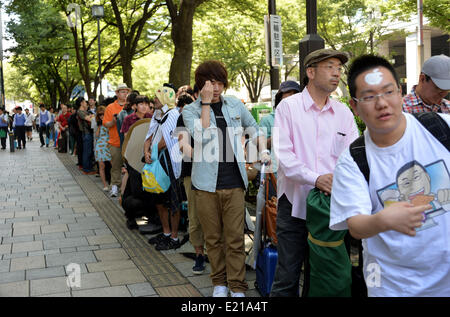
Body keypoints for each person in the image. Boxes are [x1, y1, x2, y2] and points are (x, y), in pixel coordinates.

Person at [329, 54, 450, 297]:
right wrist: (383, 219)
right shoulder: (353, 159)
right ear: (354, 106)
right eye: (369, 96)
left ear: (401, 93)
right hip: (393, 286)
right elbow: (355, 225)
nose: (381, 103)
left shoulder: (442, 127)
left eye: (388, 92)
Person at [270, 49, 359, 297]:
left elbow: (353, 154)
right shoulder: (288, 107)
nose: (336, 73)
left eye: (339, 68)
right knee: (287, 274)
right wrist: (316, 178)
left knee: (322, 273)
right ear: (310, 72)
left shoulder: (343, 112)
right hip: (295, 203)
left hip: (330, 206)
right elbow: (284, 156)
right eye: (330, 66)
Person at [182, 60, 270, 297]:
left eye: (220, 82)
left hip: (235, 183)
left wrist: (261, 148)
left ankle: (238, 286)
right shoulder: (190, 110)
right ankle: (219, 283)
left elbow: (255, 127)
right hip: (205, 185)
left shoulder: (234, 105)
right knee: (213, 239)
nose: (216, 87)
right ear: (201, 84)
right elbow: (201, 137)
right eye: (211, 82)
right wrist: (206, 104)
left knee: (235, 239)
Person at [143, 86, 185, 251]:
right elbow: (150, 135)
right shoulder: (157, 115)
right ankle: (166, 233)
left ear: (166, 98)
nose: (154, 99)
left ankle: (174, 237)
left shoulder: (174, 115)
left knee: (173, 201)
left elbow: (171, 140)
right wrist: (146, 151)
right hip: (156, 161)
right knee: (159, 200)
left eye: (157, 97)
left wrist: (152, 150)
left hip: (169, 163)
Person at [176, 93, 207, 274]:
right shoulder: (186, 113)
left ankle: (216, 254)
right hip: (191, 171)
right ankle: (199, 254)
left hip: (218, 173)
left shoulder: (221, 110)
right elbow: (182, 144)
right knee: (195, 216)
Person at [103, 83, 131, 197]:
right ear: (117, 93)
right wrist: (114, 121)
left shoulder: (130, 106)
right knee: (116, 165)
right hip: (115, 142)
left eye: (126, 91)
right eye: (122, 91)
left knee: (130, 166)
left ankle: (127, 188)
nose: (125, 94)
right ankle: (115, 186)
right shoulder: (110, 107)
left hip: (128, 141)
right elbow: (106, 124)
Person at [76, 97, 96, 175]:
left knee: (89, 151)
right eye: (84, 102)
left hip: (89, 133)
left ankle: (89, 168)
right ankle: (86, 169)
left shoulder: (85, 111)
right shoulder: (80, 112)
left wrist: (92, 116)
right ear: (81, 103)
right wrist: (91, 117)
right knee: (87, 152)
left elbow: (92, 117)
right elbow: (89, 119)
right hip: (86, 133)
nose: (86, 103)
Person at [94, 106, 111, 191]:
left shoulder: (110, 123)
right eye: (99, 115)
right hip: (100, 146)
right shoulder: (99, 125)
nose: (101, 116)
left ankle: (114, 184)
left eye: (103, 114)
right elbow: (96, 136)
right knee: (101, 166)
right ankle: (105, 185)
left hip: (109, 145)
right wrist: (99, 127)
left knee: (113, 165)